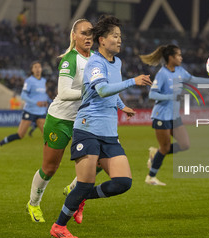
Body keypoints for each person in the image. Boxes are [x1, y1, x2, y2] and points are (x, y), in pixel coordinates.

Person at [50, 15, 152, 238]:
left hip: (109, 133)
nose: (119, 40)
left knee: (123, 182)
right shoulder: (95, 62)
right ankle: (59, 227)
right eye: (115, 36)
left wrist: (121, 105)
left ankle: (83, 198)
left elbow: (110, 91)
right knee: (85, 182)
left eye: (120, 37)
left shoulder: (118, 63)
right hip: (88, 129)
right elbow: (102, 90)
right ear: (102, 40)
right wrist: (132, 82)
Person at [26, 19, 134, 224]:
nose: (88, 37)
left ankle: (76, 189)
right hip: (61, 119)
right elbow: (64, 92)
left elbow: (107, 86)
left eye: (90, 34)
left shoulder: (97, 58)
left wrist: (121, 106)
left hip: (87, 122)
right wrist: (91, 91)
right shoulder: (69, 59)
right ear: (73, 36)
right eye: (83, 33)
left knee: (102, 161)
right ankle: (33, 203)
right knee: (50, 168)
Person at [139, 44, 209, 185]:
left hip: (174, 116)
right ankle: (151, 177)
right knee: (165, 147)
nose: (181, 57)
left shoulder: (180, 71)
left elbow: (195, 80)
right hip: (161, 116)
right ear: (171, 57)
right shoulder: (162, 74)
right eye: (178, 55)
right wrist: (170, 96)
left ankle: (156, 153)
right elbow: (152, 94)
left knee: (185, 145)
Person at [0, 61, 49, 156]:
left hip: (41, 112)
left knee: (47, 137)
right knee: (20, 135)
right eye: (35, 67)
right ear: (32, 70)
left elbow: (43, 95)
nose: (37, 69)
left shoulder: (43, 81)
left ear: (41, 69)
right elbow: (23, 96)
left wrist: (48, 101)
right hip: (30, 111)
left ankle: (49, 160)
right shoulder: (29, 81)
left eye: (39, 67)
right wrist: (36, 102)